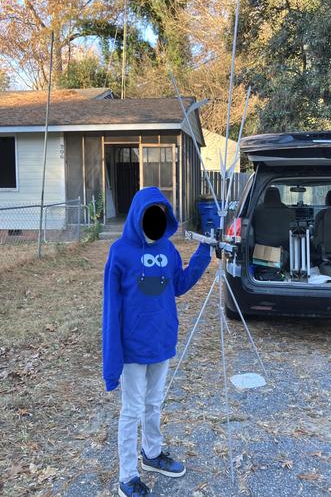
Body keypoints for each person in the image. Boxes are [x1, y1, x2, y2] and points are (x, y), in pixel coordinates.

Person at [102, 187, 212, 497]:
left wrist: (203, 254)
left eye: (160, 216)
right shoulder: (120, 252)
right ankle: (128, 476)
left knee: (153, 404)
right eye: (149, 215)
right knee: (132, 409)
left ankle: (152, 454)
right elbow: (111, 308)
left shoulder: (168, 250)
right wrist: (112, 358)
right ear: (138, 216)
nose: (155, 222)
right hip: (133, 349)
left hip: (161, 343)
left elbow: (178, 284)